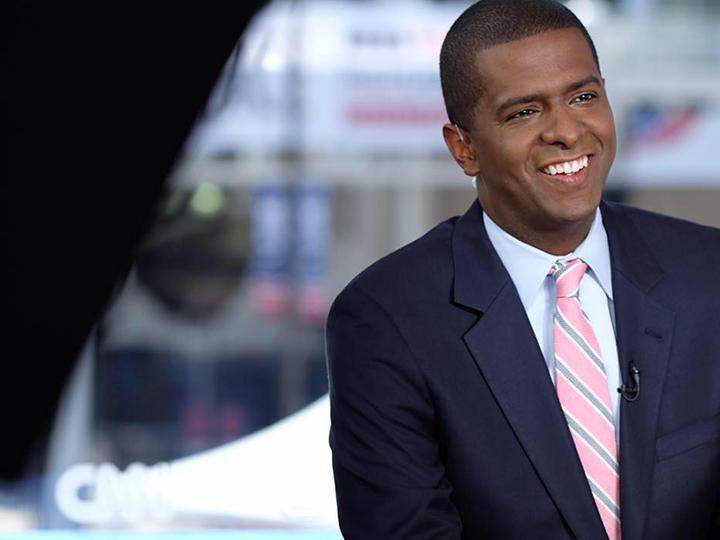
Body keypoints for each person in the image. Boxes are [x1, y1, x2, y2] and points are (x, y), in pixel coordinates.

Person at [325, 0, 720, 538]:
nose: (566, 132)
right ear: (464, 149)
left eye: (584, 97)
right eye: (524, 112)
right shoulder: (386, 320)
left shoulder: (708, 275)